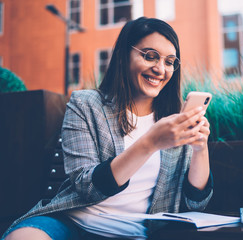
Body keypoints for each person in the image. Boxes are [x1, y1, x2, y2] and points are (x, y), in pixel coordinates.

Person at [2, 17, 213, 240]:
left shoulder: (175, 120)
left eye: (170, 61)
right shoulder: (85, 104)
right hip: (72, 222)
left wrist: (200, 148)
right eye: (150, 56)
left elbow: (195, 203)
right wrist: (150, 143)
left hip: (136, 232)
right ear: (124, 55)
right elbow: (87, 187)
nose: (160, 69)